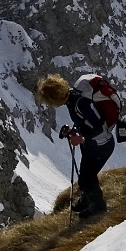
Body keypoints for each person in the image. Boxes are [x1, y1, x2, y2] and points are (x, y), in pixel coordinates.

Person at [36, 73, 115, 217]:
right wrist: (74, 131)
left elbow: (98, 127)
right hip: (94, 145)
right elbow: (85, 121)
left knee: (87, 176)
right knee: (85, 174)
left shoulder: (79, 103)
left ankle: (98, 207)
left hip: (101, 145)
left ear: (55, 98)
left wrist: (81, 138)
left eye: (50, 101)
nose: (52, 105)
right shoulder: (74, 99)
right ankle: (87, 199)